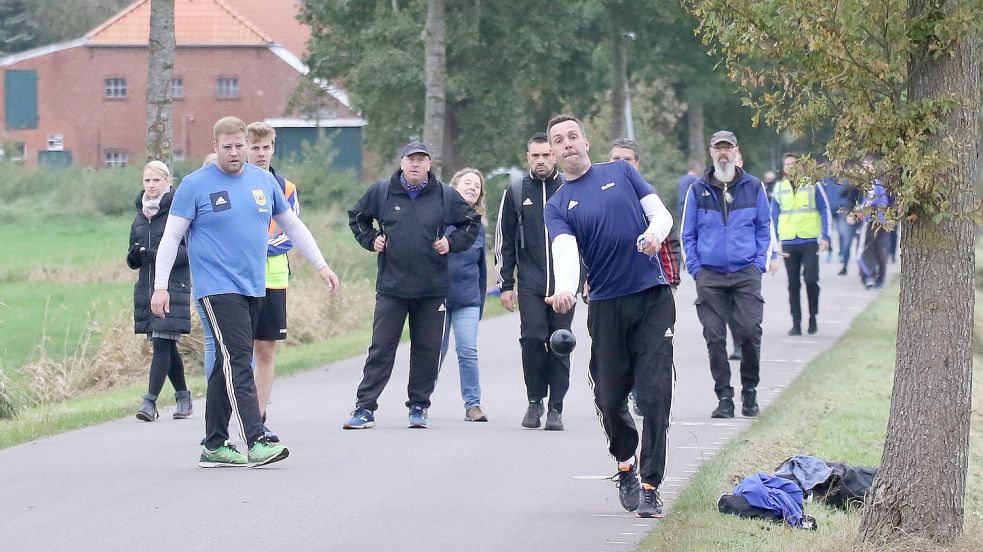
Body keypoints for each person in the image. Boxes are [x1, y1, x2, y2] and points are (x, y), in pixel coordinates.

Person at [152, 116, 340, 468]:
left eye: (240, 145)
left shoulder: (263, 181)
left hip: (254, 285)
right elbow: (171, 238)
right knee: (240, 358)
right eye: (228, 147)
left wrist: (321, 266)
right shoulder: (195, 185)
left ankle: (213, 444)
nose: (235, 153)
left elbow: (293, 226)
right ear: (215, 147)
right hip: (216, 288)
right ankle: (256, 438)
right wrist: (160, 287)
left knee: (226, 362)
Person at [543, 115, 674, 519]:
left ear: (585, 141)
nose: (567, 144)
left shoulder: (621, 172)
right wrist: (565, 289)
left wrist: (655, 235)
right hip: (606, 306)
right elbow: (564, 252)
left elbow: (662, 215)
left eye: (572, 136)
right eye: (558, 141)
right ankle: (626, 464)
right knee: (609, 398)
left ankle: (651, 485)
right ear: (552, 153)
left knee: (654, 397)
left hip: (652, 298)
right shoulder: (558, 205)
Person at [344, 141, 480, 430]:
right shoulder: (382, 192)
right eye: (411, 159)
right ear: (402, 162)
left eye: (422, 159)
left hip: (432, 290)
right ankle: (365, 408)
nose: (416, 164)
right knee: (381, 349)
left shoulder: (444, 195)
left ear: (429, 165)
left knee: (427, 350)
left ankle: (418, 406)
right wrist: (372, 240)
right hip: (392, 287)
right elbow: (357, 218)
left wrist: (451, 242)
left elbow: (471, 222)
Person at [680, 131, 772, 419]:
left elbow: (765, 228)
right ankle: (724, 397)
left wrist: (758, 264)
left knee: (749, 332)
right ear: (711, 152)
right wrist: (695, 268)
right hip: (710, 275)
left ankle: (750, 391)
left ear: (735, 151)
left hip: (746, 272)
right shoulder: (697, 190)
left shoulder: (754, 187)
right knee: (715, 337)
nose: (723, 154)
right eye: (718, 149)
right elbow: (688, 234)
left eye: (728, 149)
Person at [494, 132, 575, 431]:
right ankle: (534, 401)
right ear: (528, 158)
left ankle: (556, 407)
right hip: (530, 282)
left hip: (565, 282)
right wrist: (506, 285)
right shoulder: (515, 192)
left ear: (554, 155)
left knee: (561, 342)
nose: (541, 160)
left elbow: (588, 237)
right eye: (535, 156)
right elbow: (504, 242)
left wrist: (588, 278)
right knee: (532, 340)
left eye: (545, 154)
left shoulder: (570, 188)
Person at [609, 138, 681, 417]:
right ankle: (622, 392)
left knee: (650, 345)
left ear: (636, 164)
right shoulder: (599, 197)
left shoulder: (649, 197)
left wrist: (672, 282)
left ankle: (645, 393)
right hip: (614, 287)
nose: (620, 165)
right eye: (615, 159)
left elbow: (669, 242)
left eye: (626, 160)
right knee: (619, 347)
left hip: (650, 286)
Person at [245, 121, 300, 442]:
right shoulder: (233, 183)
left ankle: (260, 418)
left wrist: (256, 247)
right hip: (237, 280)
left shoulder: (286, 188)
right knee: (238, 352)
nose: (261, 154)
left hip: (274, 279)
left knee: (265, 351)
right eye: (255, 148)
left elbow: (290, 235)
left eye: (266, 148)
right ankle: (232, 418)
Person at [127, 160, 192, 422]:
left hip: (174, 286)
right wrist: (134, 257)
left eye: (156, 180)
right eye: (147, 181)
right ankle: (184, 397)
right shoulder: (139, 217)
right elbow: (134, 259)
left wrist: (157, 255)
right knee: (164, 343)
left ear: (167, 182)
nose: (151, 186)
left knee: (163, 341)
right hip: (147, 287)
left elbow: (189, 251)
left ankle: (149, 402)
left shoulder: (179, 212)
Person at [440, 168, 488, 422]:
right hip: (437, 299)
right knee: (435, 352)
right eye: (467, 183)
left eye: (477, 186)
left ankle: (473, 405)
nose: (472, 187)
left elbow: (482, 270)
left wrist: (479, 303)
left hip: (467, 299)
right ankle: (419, 401)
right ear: (454, 187)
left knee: (467, 349)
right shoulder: (437, 221)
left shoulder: (479, 229)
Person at [772, 153, 831, 335]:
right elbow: (772, 217)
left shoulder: (813, 185)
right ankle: (796, 322)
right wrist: (773, 247)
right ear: (784, 168)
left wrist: (826, 237)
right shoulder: (779, 188)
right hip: (789, 241)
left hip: (809, 240)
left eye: (793, 164)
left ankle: (812, 317)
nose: (790, 167)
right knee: (793, 283)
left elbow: (824, 209)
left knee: (811, 279)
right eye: (787, 164)